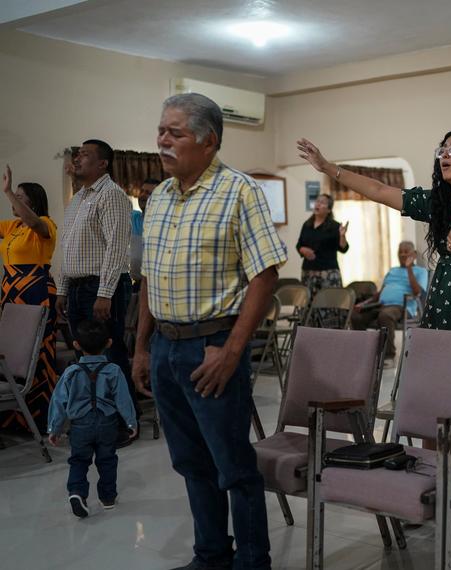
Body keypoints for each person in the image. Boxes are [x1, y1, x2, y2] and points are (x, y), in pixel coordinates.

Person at [133, 93, 287, 570]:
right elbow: (150, 277)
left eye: (175, 132)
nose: (163, 140)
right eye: (161, 130)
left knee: (233, 467)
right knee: (190, 463)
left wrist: (231, 352)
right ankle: (211, 556)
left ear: (208, 141)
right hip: (165, 348)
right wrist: (141, 348)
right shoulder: (160, 196)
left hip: (211, 348)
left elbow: (265, 277)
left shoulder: (239, 192)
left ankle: (253, 562)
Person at [297, 128, 451, 436]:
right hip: (445, 306)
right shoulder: (438, 203)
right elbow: (379, 190)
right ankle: (440, 464)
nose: (444, 155)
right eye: (442, 150)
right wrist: (328, 168)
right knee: (439, 396)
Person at [57, 138, 136, 445]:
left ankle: (122, 426)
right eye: (77, 154)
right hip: (78, 288)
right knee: (84, 358)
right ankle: (93, 421)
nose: (77, 159)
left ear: (102, 163)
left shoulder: (112, 195)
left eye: (85, 155)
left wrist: (105, 293)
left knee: (110, 358)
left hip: (101, 288)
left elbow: (117, 247)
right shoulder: (78, 198)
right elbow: (67, 247)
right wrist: (63, 289)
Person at [46, 319, 137, 519]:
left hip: (80, 426)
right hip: (107, 423)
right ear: (109, 343)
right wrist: (131, 422)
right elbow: (123, 399)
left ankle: (77, 492)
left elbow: (59, 401)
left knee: (79, 460)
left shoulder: (71, 372)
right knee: (107, 460)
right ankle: (108, 497)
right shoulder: (114, 370)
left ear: (76, 344)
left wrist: (54, 428)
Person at [0, 166, 59, 433]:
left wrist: (7, 191)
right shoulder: (12, 226)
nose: (13, 200)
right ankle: (12, 418)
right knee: (12, 351)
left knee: (36, 351)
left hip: (36, 289)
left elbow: (35, 224)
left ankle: (39, 418)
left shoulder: (45, 223)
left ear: (32, 202)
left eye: (20, 196)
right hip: (11, 291)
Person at [350, 240, 429, 365]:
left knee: (385, 315)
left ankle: (388, 356)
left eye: (406, 252)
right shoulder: (392, 271)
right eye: (400, 252)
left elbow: (418, 292)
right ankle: (363, 352)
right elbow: (380, 293)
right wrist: (364, 303)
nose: (402, 254)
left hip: (402, 306)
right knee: (356, 316)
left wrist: (409, 269)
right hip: (381, 305)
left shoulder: (421, 271)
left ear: (413, 254)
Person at [296, 192, 349, 300]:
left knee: (329, 304)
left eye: (322, 202)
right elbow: (299, 244)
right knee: (308, 305)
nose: (318, 204)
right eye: (317, 201)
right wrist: (302, 250)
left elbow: (344, 248)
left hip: (328, 273)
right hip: (308, 272)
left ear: (329, 210)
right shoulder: (307, 225)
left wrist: (342, 236)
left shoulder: (335, 226)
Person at [130, 178, 159, 285]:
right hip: (136, 284)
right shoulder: (133, 217)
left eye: (148, 193)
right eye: (142, 191)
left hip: (156, 284)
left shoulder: (164, 224)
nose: (142, 195)